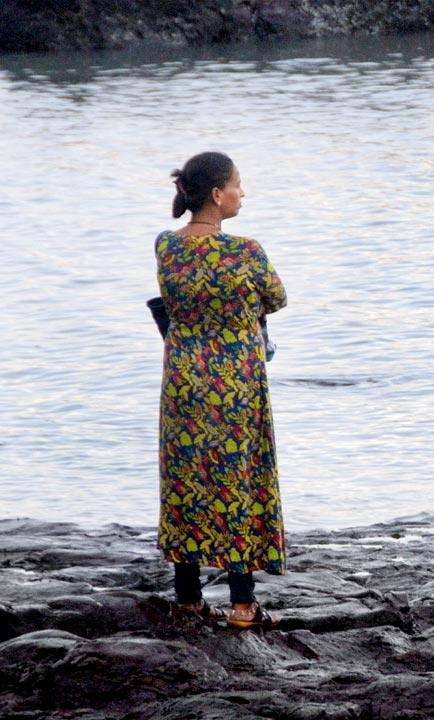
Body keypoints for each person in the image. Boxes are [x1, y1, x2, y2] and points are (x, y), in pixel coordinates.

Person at [155, 151, 287, 629]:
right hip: (235, 387)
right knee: (238, 485)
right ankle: (242, 606)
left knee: (187, 483)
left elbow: (174, 297)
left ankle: (188, 597)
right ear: (217, 194)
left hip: (185, 385)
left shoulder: (166, 247)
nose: (242, 193)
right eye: (238, 185)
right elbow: (277, 297)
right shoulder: (246, 252)